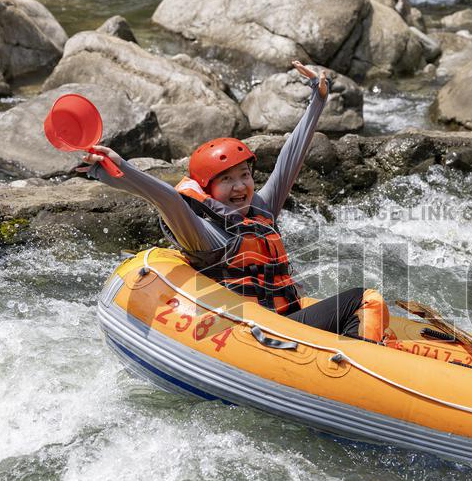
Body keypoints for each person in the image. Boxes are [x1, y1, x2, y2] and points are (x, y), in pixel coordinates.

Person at [80, 61, 389, 342]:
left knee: (361, 308)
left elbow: (291, 158)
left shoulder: (261, 209)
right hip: (250, 336)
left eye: (244, 174)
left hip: (285, 324)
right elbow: (168, 200)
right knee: (364, 300)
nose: (240, 186)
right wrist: (118, 171)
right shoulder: (205, 235)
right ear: (207, 190)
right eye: (226, 180)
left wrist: (318, 99)